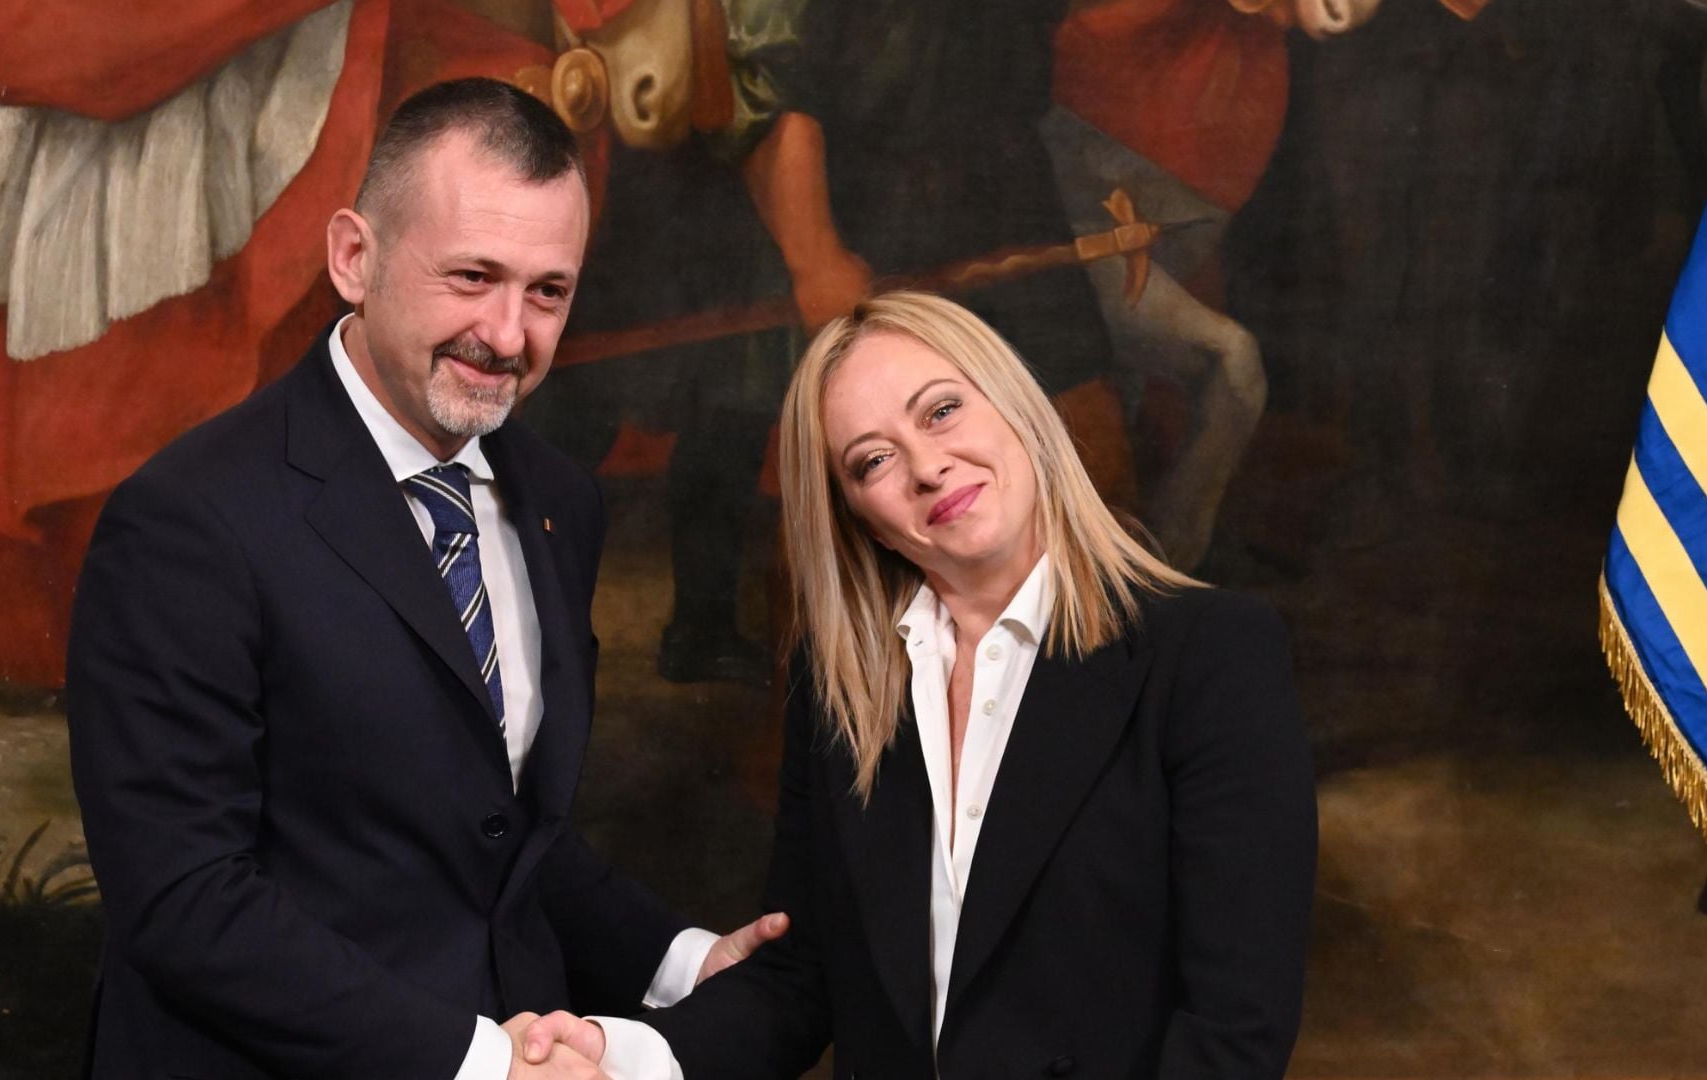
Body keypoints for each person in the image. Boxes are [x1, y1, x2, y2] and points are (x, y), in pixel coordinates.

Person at [65, 77, 785, 1079]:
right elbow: (185, 901)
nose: (508, 334)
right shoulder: (188, 520)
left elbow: (498, 838)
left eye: (547, 291)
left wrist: (684, 963)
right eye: (472, 276)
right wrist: (482, 1063)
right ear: (354, 258)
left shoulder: (559, 501)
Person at [542, 291, 1317, 1077]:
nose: (925, 467)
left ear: (1016, 406)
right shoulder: (837, 683)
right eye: (872, 460)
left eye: (942, 411)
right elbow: (802, 978)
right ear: (856, 516)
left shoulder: (1212, 655)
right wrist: (625, 1056)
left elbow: (1234, 1033)